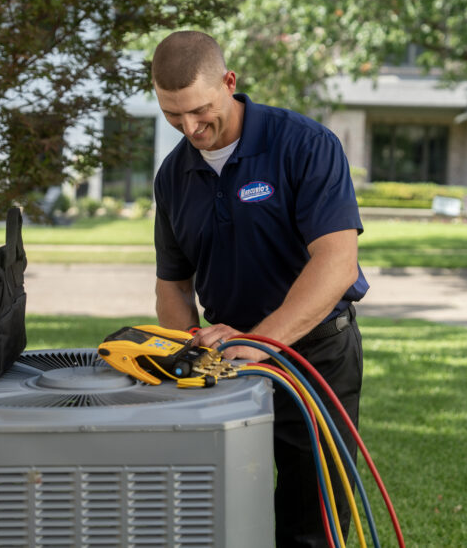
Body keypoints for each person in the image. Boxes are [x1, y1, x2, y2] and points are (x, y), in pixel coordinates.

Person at [150, 30, 369, 547]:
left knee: (311, 521)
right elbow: (172, 285)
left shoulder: (305, 145)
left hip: (314, 356)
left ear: (230, 82)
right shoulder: (173, 175)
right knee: (224, 509)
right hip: (224, 364)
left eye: (200, 110)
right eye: (172, 115)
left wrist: (258, 343)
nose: (189, 127)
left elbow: (336, 264)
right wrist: (191, 351)